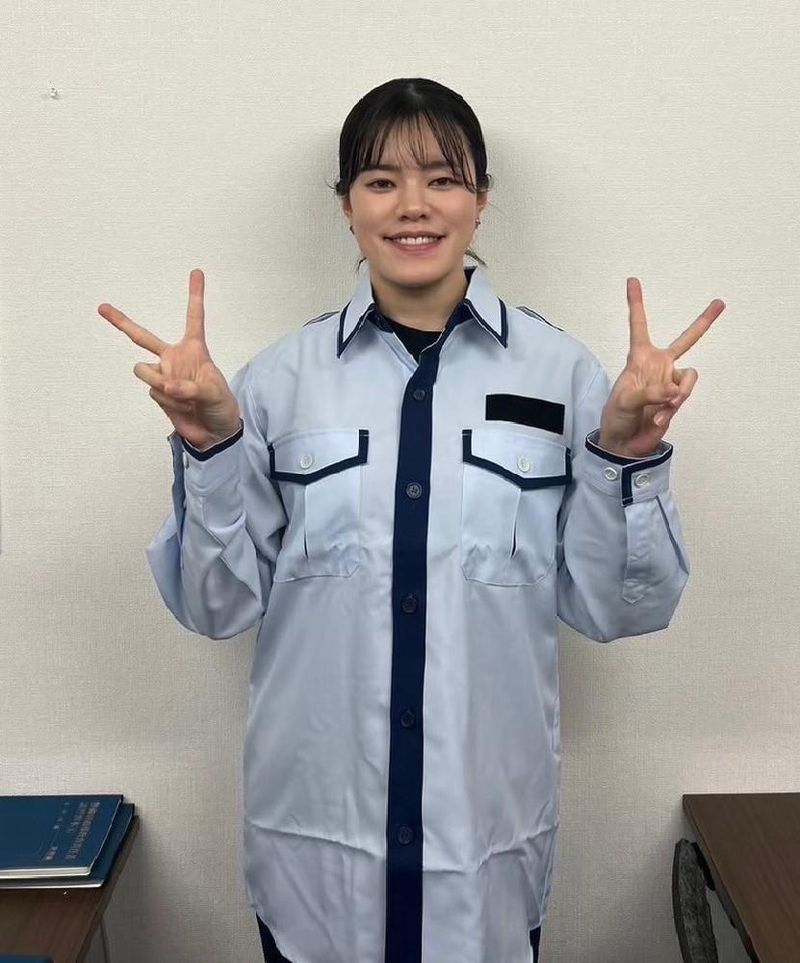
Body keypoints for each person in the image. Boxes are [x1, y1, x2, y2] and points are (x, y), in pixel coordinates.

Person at [99, 77, 724, 963]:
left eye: (443, 178)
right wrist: (210, 446)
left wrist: (626, 454)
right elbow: (216, 606)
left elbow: (620, 608)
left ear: (481, 200)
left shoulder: (565, 378)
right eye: (382, 181)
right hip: (316, 847)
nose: (413, 205)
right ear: (347, 205)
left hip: (483, 847)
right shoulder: (275, 384)